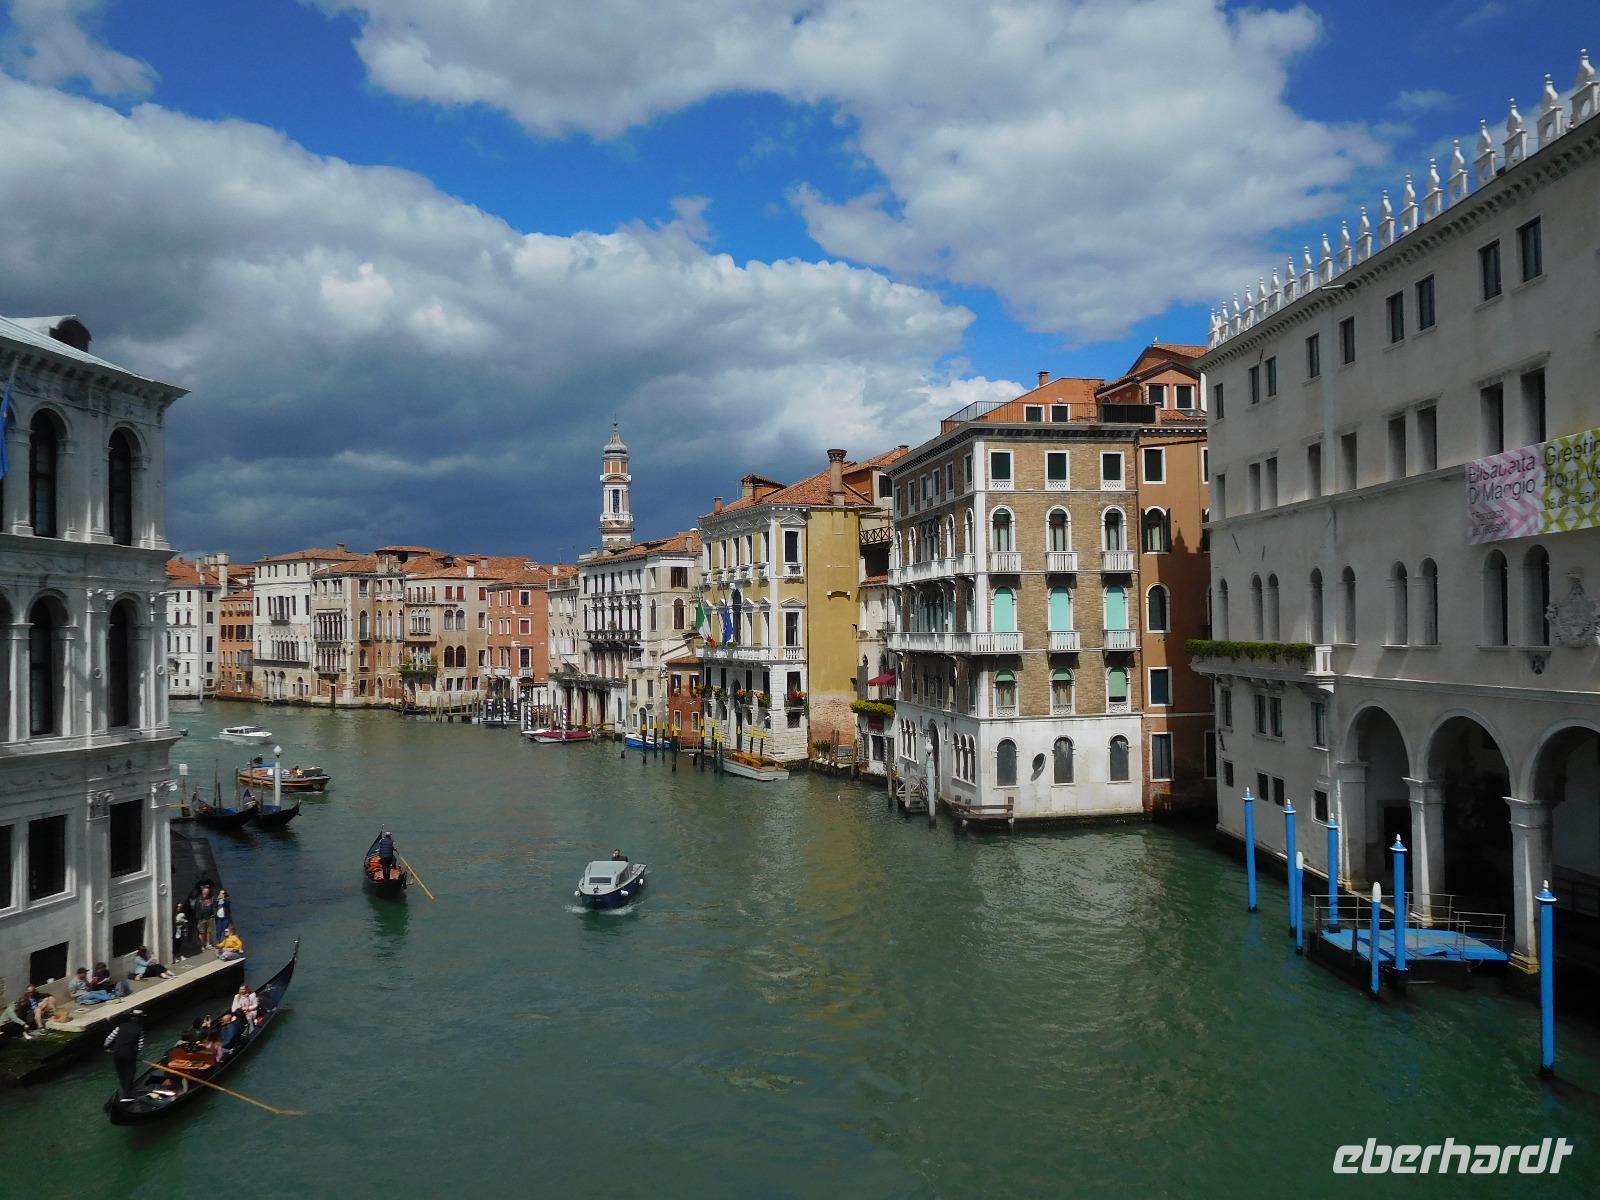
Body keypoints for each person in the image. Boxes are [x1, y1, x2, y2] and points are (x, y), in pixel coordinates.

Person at [104, 1009, 146, 1097]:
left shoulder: (120, 1026)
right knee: (130, 1073)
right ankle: (127, 1096)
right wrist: (135, 1055)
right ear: (141, 1019)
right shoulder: (140, 1030)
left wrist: (107, 1047)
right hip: (129, 1054)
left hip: (116, 1053)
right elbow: (140, 1046)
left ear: (131, 1017)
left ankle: (125, 1091)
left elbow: (109, 1038)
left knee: (121, 1073)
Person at [196, 885, 217, 950]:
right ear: (202, 892)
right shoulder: (199, 899)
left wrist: (213, 914)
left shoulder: (210, 898)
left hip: (209, 918)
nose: (206, 893)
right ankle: (202, 945)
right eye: (205, 891)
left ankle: (208, 944)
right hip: (201, 919)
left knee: (209, 932)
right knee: (202, 933)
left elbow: (213, 907)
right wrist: (198, 918)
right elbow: (196, 909)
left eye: (207, 892)